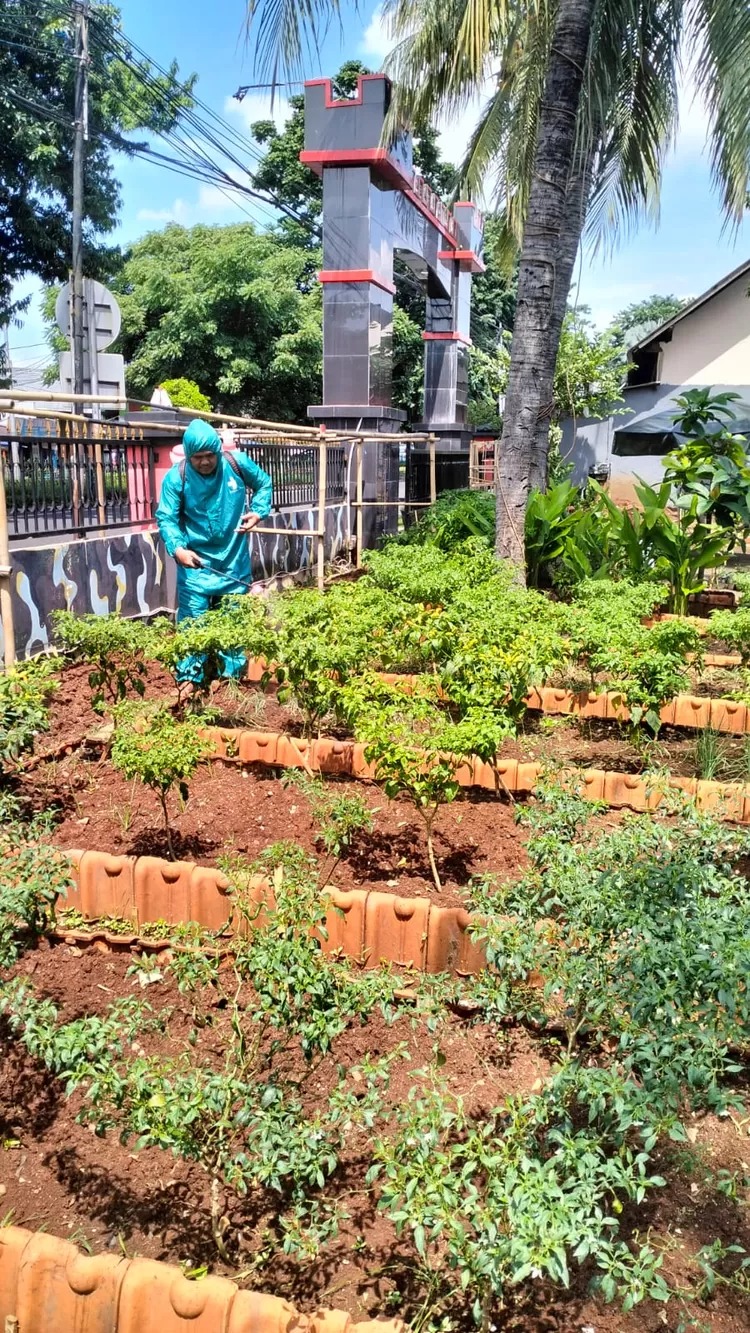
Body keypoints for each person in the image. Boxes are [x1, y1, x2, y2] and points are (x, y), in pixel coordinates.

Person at [156, 418, 273, 684]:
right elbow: (166, 518)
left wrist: (258, 511)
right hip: (196, 566)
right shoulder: (177, 478)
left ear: (218, 452)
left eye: (210, 456)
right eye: (198, 458)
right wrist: (178, 550)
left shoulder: (237, 464)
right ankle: (190, 681)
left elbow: (264, 484)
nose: (205, 462)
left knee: (233, 626)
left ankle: (231, 680)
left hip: (233, 563)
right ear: (188, 456)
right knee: (194, 627)